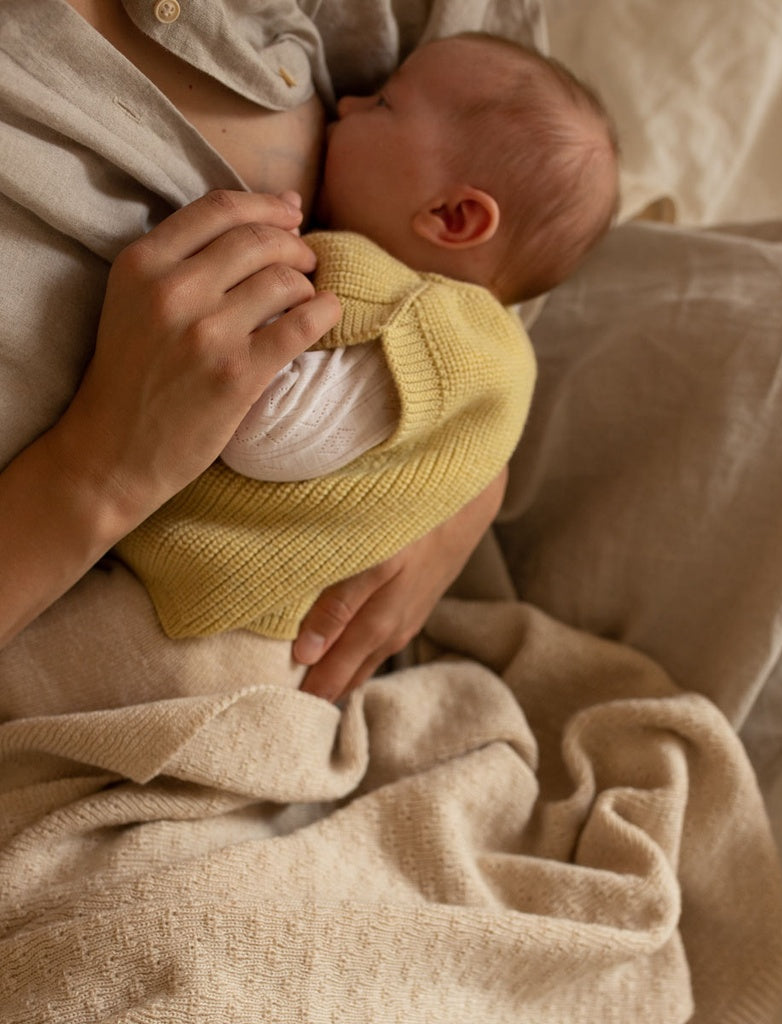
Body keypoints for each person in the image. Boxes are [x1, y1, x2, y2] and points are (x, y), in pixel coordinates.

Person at [0, 1, 547, 704]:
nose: (347, 102)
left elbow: (525, 226)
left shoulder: (403, 295)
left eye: (378, 101)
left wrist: (466, 470)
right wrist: (99, 472)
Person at [113, 33, 621, 657]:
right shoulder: (426, 312)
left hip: (217, 634)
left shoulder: (426, 326)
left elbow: (264, 437)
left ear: (452, 216)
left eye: (383, 103)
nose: (346, 103)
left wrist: (248, 298)